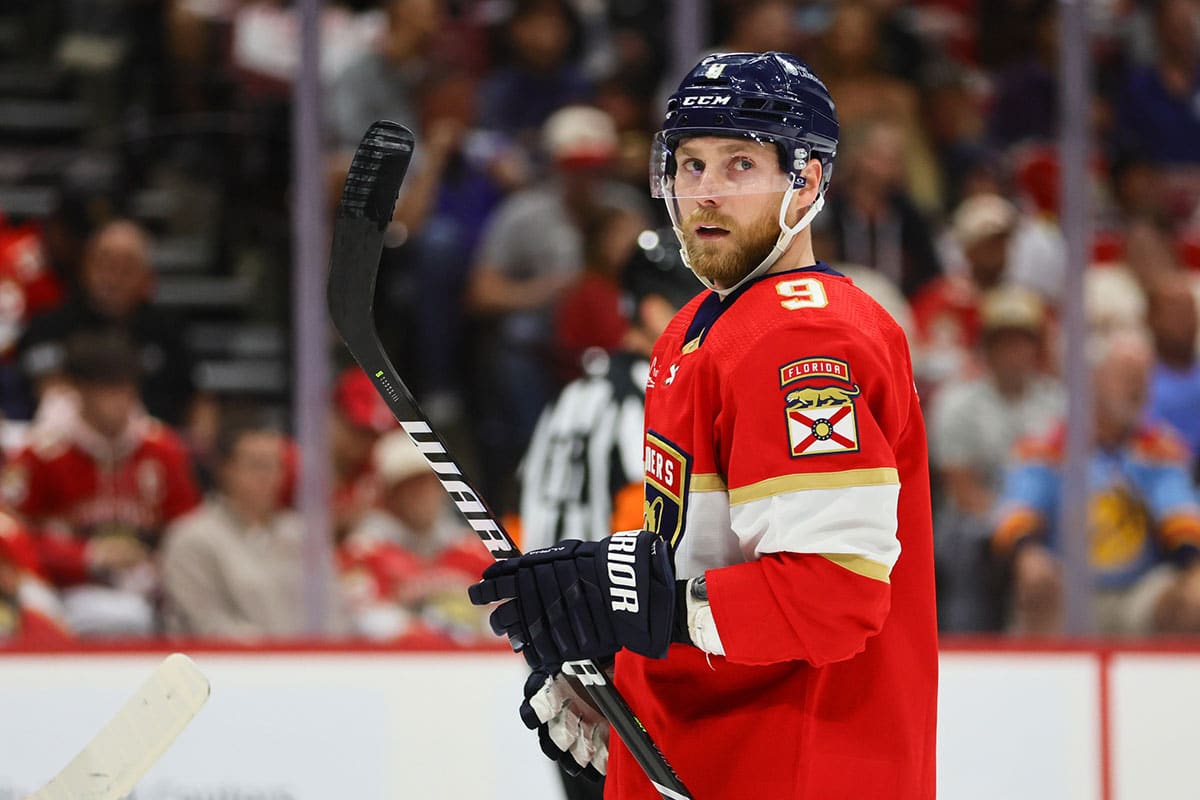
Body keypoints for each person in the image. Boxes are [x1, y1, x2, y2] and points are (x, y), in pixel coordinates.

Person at [470, 52, 937, 798]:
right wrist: (629, 671)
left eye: (740, 164)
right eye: (690, 165)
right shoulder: (692, 327)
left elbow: (831, 594)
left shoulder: (808, 343)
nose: (706, 194)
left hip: (795, 766)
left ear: (807, 181)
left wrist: (647, 610)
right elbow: (700, 556)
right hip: (705, 756)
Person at [520, 226, 699, 800]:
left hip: (554, 655)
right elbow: (647, 533)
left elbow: (524, 518)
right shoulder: (653, 399)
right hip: (619, 659)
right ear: (652, 309)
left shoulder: (567, 399)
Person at [992, 327, 1200, 635]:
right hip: (1067, 585)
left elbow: (1182, 516)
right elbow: (1015, 512)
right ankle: (1043, 681)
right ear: (1092, 380)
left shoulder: (1160, 448)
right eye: (1126, 376)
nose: (1137, 387)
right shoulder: (1048, 444)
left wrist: (1194, 569)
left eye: (1143, 377)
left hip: (1137, 591)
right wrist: (1029, 554)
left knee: (1191, 599)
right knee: (1038, 584)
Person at [1, 331, 201, 636]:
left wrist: (159, 562)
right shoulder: (43, 453)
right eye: (108, 390)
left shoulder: (161, 449)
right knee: (117, 618)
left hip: (153, 588)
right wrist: (88, 555)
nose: (120, 401)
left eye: (127, 388)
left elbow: (188, 528)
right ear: (78, 390)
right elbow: (12, 535)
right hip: (66, 589)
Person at [929, 286, 1064, 631]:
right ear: (986, 348)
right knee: (968, 546)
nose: (1014, 352)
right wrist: (1015, 529)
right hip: (975, 519)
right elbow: (961, 489)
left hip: (1043, 518)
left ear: (1037, 348)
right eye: (1004, 342)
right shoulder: (957, 402)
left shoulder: (1057, 402)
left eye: (1022, 341)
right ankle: (966, 646)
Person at [160, 413, 342, 640]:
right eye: (256, 465)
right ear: (226, 469)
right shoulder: (191, 537)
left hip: (312, 666)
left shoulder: (303, 534)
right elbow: (205, 623)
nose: (268, 476)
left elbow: (335, 612)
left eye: (276, 465)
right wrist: (271, 656)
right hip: (233, 668)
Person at [17, 219, 199, 427]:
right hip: (67, 445)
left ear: (148, 279)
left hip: (156, 444)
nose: (112, 278)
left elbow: (197, 399)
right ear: (84, 267)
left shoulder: (167, 330)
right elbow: (49, 391)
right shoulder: (49, 326)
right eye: (104, 263)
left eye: (126, 267)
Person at [340, 430, 492, 643]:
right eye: (413, 485)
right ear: (391, 493)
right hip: (398, 668)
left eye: (432, 483)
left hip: (471, 667)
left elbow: (504, 616)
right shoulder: (363, 553)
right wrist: (435, 635)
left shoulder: (472, 549)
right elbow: (366, 618)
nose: (426, 494)